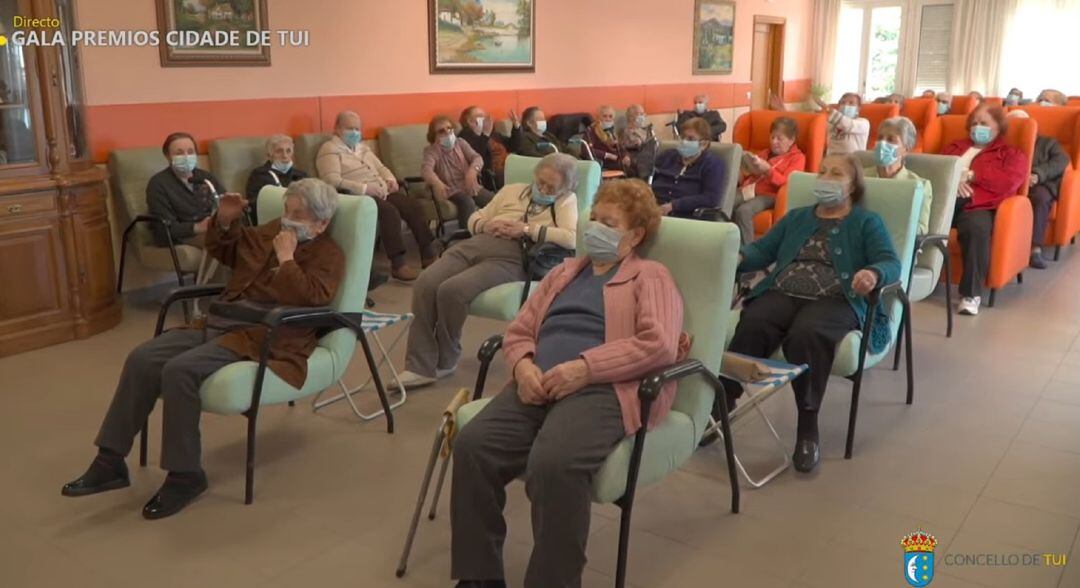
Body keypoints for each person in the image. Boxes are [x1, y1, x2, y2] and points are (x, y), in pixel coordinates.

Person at [450, 179, 686, 588]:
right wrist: (523, 367)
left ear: (634, 236)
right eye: (594, 218)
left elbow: (659, 344)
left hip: (604, 388)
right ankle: (479, 577)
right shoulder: (563, 272)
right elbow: (519, 330)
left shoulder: (650, 276)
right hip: (538, 381)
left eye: (608, 222)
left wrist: (585, 368)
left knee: (554, 464)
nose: (594, 227)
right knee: (473, 445)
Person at [61, 179, 344, 519]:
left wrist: (286, 260)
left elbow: (314, 298)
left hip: (265, 333)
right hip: (222, 319)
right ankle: (110, 461)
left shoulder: (329, 254)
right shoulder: (272, 231)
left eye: (296, 214)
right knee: (143, 357)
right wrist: (224, 221)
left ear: (321, 222)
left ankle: (186, 475)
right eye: (286, 210)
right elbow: (227, 251)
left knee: (181, 370)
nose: (287, 220)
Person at [724, 154, 901, 473]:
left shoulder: (866, 222)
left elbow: (890, 261)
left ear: (852, 185)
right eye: (822, 172)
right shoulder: (796, 217)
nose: (825, 178)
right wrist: (737, 257)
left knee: (807, 334)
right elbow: (763, 251)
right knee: (754, 322)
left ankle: (807, 427)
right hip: (783, 290)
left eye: (836, 174)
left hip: (836, 298)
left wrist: (873, 274)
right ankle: (722, 404)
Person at [398, 153, 580, 389]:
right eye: (540, 182)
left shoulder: (566, 201)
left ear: (564, 188)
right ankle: (418, 366)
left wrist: (526, 229)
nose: (543, 189)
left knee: (452, 290)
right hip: (478, 242)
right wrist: (486, 224)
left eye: (550, 187)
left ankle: (446, 357)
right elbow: (476, 216)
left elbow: (571, 238)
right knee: (426, 282)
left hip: (513, 257)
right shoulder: (512, 190)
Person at [317, 110, 436, 281]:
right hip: (356, 197)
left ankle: (428, 254)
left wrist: (390, 179)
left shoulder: (362, 148)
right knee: (390, 212)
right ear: (337, 128)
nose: (355, 132)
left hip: (382, 191)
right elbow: (331, 180)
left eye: (357, 128)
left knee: (413, 206)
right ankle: (398, 264)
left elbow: (381, 168)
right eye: (350, 128)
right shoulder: (329, 149)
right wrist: (364, 188)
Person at [942, 104, 1030, 315]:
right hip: (945, 201)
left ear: (998, 127)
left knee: (976, 229)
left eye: (984, 123)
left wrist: (971, 176)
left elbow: (1008, 182)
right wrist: (953, 183)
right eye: (974, 123)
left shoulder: (1010, 154)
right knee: (917, 218)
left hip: (980, 205)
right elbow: (938, 169)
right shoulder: (955, 147)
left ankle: (970, 295)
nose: (977, 127)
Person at [1006, 110, 1071, 269]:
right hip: (1011, 183)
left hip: (1041, 183)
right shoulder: (1005, 142)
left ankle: (1035, 248)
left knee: (1040, 198)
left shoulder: (1048, 142)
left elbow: (1061, 161)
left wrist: (1037, 174)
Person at [732, 116, 806, 244]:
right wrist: (741, 169)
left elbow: (787, 182)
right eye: (772, 137)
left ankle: (749, 253)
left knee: (743, 211)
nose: (774, 142)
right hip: (749, 189)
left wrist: (768, 170)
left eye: (779, 138)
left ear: (791, 140)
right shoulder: (765, 153)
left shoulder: (798, 158)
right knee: (723, 202)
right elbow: (748, 175)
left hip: (770, 195)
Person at [146, 132, 224, 247]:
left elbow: (223, 200)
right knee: (225, 243)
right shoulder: (158, 184)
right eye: (179, 153)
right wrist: (197, 227)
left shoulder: (206, 178)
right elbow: (164, 227)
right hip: (183, 236)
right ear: (168, 156)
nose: (186, 156)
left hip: (214, 229)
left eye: (190, 152)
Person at [863, 116, 933, 235]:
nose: (882, 143)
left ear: (906, 149)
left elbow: (921, 229)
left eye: (891, 139)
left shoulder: (920, 185)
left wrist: (894, 224)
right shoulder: (859, 176)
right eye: (880, 138)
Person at [422, 115, 495, 228]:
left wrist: (472, 171)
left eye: (449, 128)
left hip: (469, 185)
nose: (447, 132)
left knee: (495, 200)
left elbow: (477, 158)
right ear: (434, 136)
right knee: (467, 202)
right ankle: (466, 237)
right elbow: (426, 170)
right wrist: (437, 182)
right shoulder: (432, 151)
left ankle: (494, 229)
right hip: (449, 189)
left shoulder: (460, 143)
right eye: (441, 131)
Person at [651, 117, 727, 218]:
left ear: (704, 144)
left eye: (690, 139)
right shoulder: (668, 156)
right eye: (683, 137)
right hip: (653, 209)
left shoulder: (712, 164)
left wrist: (674, 206)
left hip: (684, 216)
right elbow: (649, 178)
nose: (684, 141)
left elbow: (711, 198)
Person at [245, 134, 307, 225]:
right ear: (269, 156)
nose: (285, 156)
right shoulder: (259, 176)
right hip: (273, 222)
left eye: (288, 151)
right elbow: (255, 205)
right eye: (279, 151)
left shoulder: (301, 175)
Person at [458, 106, 499, 190]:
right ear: (469, 121)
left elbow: (513, 145)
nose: (484, 118)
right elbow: (476, 155)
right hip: (488, 173)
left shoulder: (490, 131)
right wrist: (485, 134)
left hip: (504, 164)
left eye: (484, 115)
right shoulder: (464, 136)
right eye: (480, 116)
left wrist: (517, 128)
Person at [582, 105, 625, 172]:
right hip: (601, 162)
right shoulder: (591, 130)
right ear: (598, 117)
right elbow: (586, 150)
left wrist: (626, 156)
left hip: (615, 160)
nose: (607, 119)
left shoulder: (612, 131)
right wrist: (607, 155)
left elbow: (620, 148)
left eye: (610, 116)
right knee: (626, 168)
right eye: (604, 116)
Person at [618, 103, 657, 179]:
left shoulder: (644, 130)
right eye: (641, 114)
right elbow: (624, 146)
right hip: (637, 157)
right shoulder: (626, 132)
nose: (643, 116)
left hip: (650, 154)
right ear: (631, 117)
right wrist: (638, 143)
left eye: (643, 114)